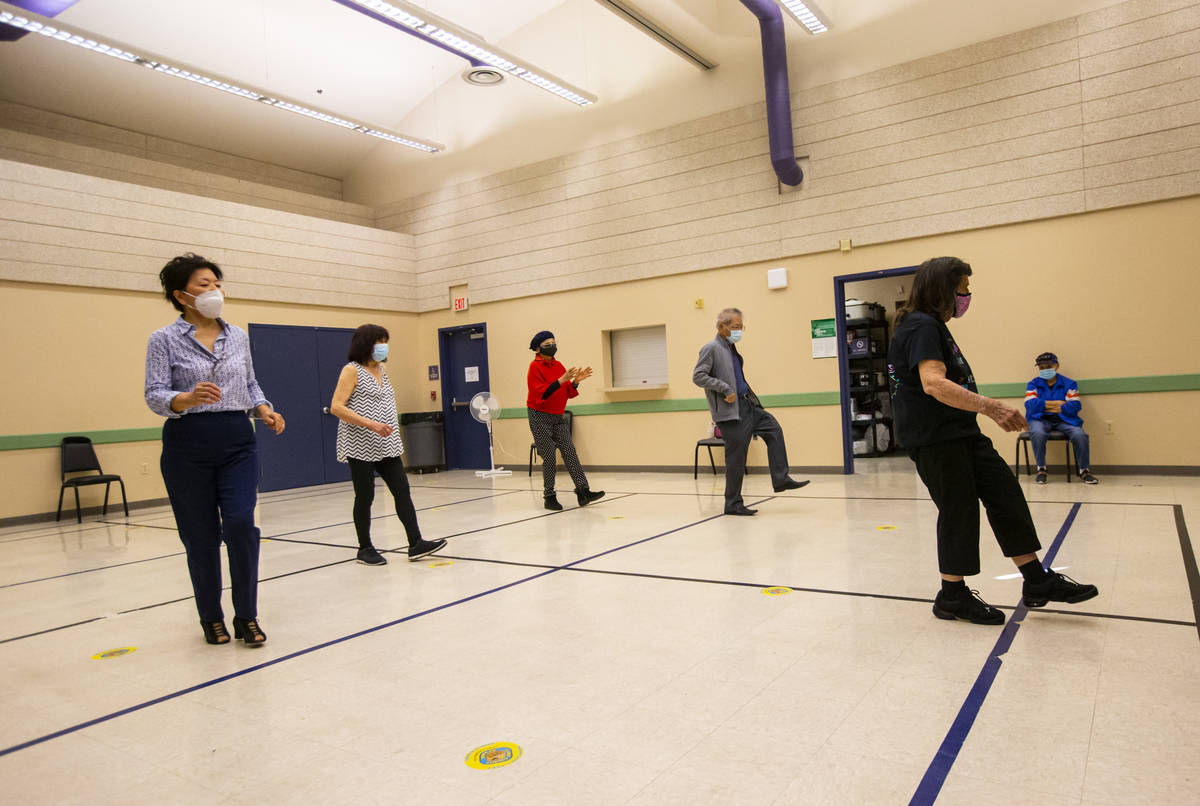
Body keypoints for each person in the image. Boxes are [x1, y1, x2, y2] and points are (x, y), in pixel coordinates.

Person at [887, 256, 1098, 625]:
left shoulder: (933, 325)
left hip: (961, 431)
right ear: (943, 291)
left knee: (1005, 494)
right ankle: (951, 595)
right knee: (959, 508)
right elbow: (933, 383)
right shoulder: (920, 325)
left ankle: (1036, 581)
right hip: (935, 436)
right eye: (963, 291)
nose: (966, 298)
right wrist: (990, 407)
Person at [145, 253, 285, 646]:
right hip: (187, 443)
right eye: (204, 285)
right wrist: (186, 399)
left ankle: (247, 615)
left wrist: (264, 409)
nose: (214, 291)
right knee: (200, 535)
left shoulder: (238, 335)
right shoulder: (164, 339)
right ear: (181, 295)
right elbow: (154, 394)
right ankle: (211, 616)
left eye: (217, 283)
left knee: (241, 525)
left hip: (237, 439)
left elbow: (251, 383)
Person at [330, 324, 447, 565]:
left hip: (387, 444)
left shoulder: (382, 370)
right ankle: (365, 548)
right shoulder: (351, 370)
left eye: (385, 341)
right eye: (379, 341)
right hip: (360, 443)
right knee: (365, 496)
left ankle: (415, 543)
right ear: (366, 344)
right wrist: (371, 424)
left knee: (402, 490)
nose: (384, 346)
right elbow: (337, 407)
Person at [692, 308, 809, 516]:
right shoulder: (711, 348)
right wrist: (725, 389)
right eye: (736, 327)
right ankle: (733, 503)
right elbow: (698, 376)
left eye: (741, 327)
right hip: (731, 413)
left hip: (748, 406)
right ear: (722, 326)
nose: (739, 331)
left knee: (774, 429)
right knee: (736, 459)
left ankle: (781, 478)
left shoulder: (731, 348)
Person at [526, 330, 604, 511]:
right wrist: (561, 380)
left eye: (553, 342)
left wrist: (576, 381)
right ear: (538, 348)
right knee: (550, 456)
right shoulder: (534, 367)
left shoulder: (558, 365)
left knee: (570, 451)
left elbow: (567, 391)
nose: (552, 346)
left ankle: (583, 490)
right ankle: (549, 495)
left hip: (557, 416)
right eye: (547, 344)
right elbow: (541, 394)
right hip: (539, 416)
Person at [1025, 352, 1098, 484]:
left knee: (1079, 434)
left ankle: (1084, 471)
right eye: (1041, 368)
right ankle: (1041, 469)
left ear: (1057, 366)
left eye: (1048, 366)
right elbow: (1030, 405)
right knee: (1037, 432)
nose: (1045, 370)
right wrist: (1059, 404)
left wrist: (1044, 405)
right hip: (1040, 419)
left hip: (1065, 420)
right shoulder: (1033, 384)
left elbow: (1075, 406)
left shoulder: (1069, 384)